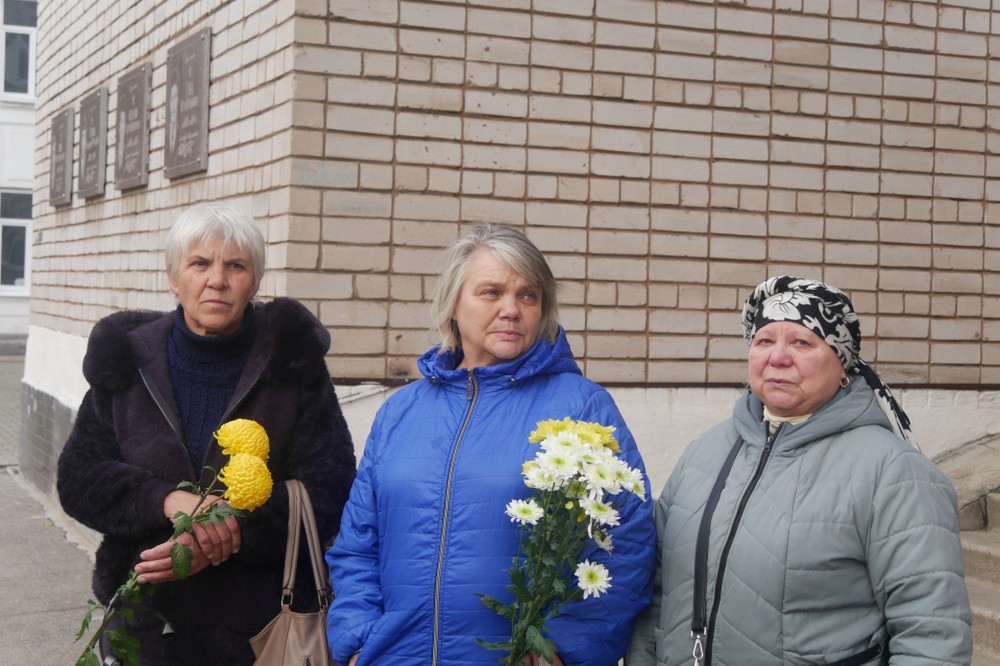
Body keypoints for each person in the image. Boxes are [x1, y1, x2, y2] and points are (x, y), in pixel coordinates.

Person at [326, 222, 655, 665]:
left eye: (528, 295)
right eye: (491, 292)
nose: (512, 309)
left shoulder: (581, 407)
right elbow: (358, 543)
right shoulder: (401, 411)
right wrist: (358, 641)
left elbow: (625, 542)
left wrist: (560, 650)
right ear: (453, 305)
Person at [57, 202, 356, 665]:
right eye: (200, 263)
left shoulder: (289, 363)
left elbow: (328, 489)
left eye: (235, 265)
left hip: (259, 630)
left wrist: (228, 533)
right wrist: (166, 499)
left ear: (254, 281)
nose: (217, 279)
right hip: (145, 625)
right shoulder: (128, 360)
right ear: (174, 277)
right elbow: (79, 477)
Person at [626, 275, 973, 665]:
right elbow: (656, 590)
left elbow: (932, 635)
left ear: (842, 364)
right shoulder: (704, 454)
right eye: (764, 341)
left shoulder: (895, 473)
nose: (778, 357)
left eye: (802, 342)